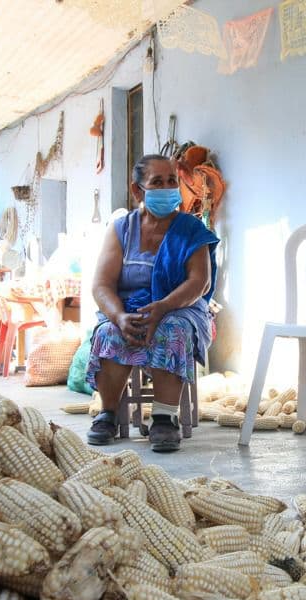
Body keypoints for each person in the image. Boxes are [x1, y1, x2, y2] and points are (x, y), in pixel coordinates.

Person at [86, 154, 219, 452]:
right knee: (109, 331)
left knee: (171, 329)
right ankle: (107, 413)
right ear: (138, 191)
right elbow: (102, 284)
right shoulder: (121, 229)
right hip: (130, 308)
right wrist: (119, 316)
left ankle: (164, 417)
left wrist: (163, 306)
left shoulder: (191, 229)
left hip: (180, 308)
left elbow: (200, 283)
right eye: (157, 182)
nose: (167, 188)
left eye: (171, 181)